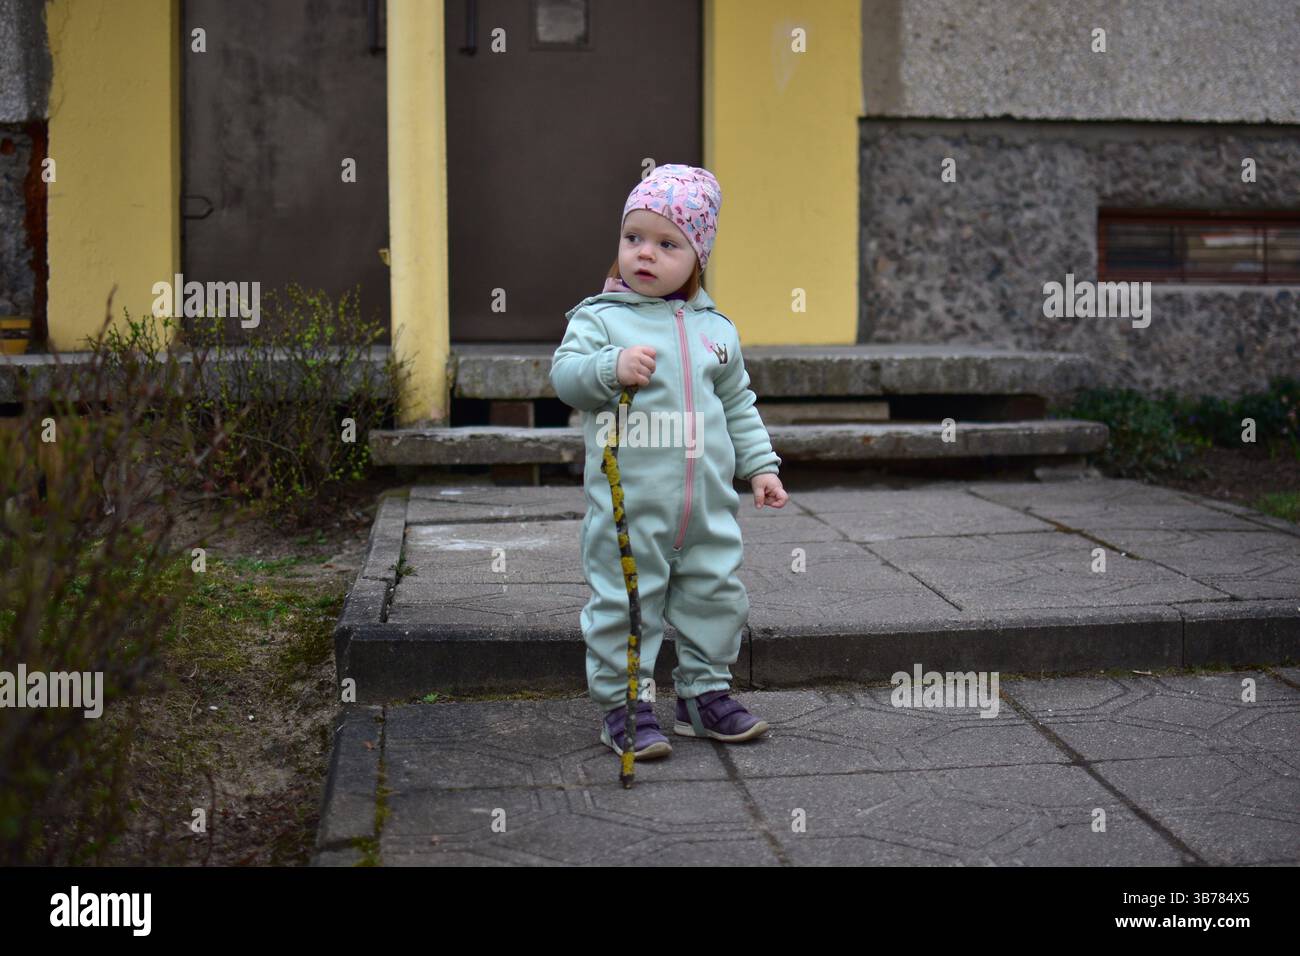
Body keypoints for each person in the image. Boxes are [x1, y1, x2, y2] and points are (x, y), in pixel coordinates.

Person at [550, 164, 789, 761]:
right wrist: (610, 367)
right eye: (634, 238)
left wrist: (761, 466)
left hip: (707, 507)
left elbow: (738, 404)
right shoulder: (600, 319)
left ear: (697, 256)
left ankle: (703, 695)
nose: (645, 254)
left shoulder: (717, 332)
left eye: (666, 243)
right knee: (626, 605)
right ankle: (625, 704)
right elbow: (565, 378)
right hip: (630, 511)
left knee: (717, 597)